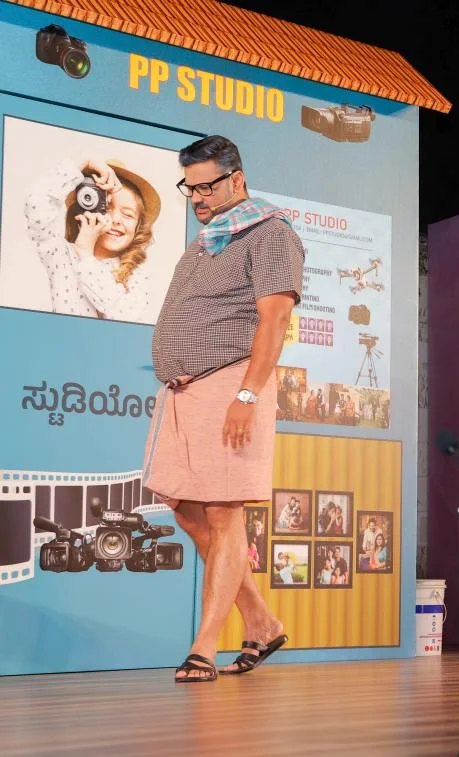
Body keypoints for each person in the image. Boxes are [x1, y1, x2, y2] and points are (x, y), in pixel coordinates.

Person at [141, 135, 303, 682]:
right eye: (190, 188)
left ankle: (204, 647)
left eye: (207, 187)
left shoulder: (270, 233)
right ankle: (261, 621)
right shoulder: (208, 240)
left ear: (237, 179)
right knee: (187, 510)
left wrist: (248, 395)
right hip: (184, 392)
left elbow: (275, 321)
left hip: (232, 383)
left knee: (223, 514)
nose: (197, 198)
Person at [24, 156, 162, 322]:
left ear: (138, 227)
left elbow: (125, 317)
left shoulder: (137, 275)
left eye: (127, 214)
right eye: (106, 207)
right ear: (86, 207)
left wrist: (86, 255)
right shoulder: (61, 255)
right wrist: (86, 161)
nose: (116, 220)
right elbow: (36, 202)